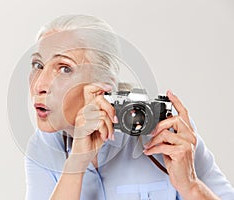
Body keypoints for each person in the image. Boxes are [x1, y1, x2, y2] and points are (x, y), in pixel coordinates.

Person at [25, 14, 234, 200]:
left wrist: (190, 185)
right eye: (38, 65)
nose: (39, 85)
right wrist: (76, 162)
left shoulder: (168, 133)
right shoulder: (42, 148)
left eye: (64, 69)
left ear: (103, 86)